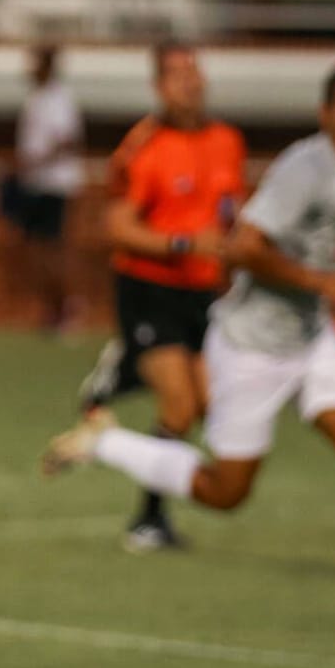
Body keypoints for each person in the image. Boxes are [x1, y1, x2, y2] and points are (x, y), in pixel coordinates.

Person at [43, 60, 335, 567]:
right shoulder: (301, 169)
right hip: (227, 328)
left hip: (295, 330)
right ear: (324, 113)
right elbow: (240, 245)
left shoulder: (230, 141)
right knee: (221, 481)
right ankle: (109, 443)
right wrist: (319, 281)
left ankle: (147, 508)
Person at [76, 42, 246, 552]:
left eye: (195, 73)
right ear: (159, 86)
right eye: (177, 76)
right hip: (150, 287)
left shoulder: (227, 141)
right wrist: (181, 242)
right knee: (177, 404)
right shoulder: (143, 146)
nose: (190, 83)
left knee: (204, 407)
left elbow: (230, 212)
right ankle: (149, 520)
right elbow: (117, 227)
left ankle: (123, 371)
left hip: (204, 292)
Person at [12, 44, 84, 334]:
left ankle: (68, 308)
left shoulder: (60, 99)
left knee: (53, 251)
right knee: (37, 252)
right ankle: (51, 311)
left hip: (54, 184)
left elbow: (66, 140)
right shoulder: (37, 98)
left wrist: (35, 162)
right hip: (37, 183)